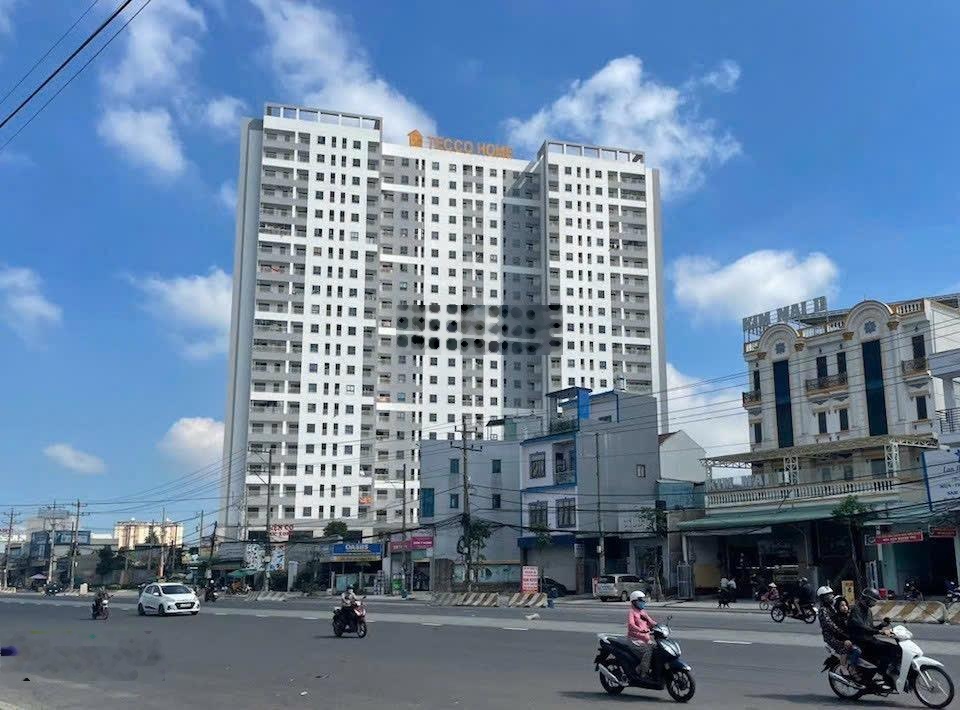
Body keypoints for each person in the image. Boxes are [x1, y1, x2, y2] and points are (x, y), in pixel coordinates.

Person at [848, 587, 900, 682]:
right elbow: (863, 628)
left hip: (869, 639)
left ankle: (891, 671)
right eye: (873, 601)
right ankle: (879, 674)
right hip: (861, 642)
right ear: (867, 599)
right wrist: (880, 632)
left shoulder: (868, 611)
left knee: (896, 648)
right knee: (888, 650)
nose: (874, 603)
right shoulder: (856, 610)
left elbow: (871, 629)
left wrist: (882, 625)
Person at [626, 590, 656, 679]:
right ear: (634, 601)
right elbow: (631, 624)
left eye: (643, 600)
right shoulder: (632, 612)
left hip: (645, 639)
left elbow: (651, 622)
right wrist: (640, 630)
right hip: (635, 640)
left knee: (657, 648)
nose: (643, 602)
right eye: (640, 600)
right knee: (649, 651)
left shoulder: (642, 612)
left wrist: (659, 626)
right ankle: (642, 672)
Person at [834, 597, 862, 674]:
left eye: (846, 605)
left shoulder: (849, 616)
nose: (845, 607)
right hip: (844, 641)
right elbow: (838, 632)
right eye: (842, 605)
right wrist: (845, 640)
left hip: (853, 639)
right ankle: (852, 669)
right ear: (838, 607)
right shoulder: (837, 618)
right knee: (857, 651)